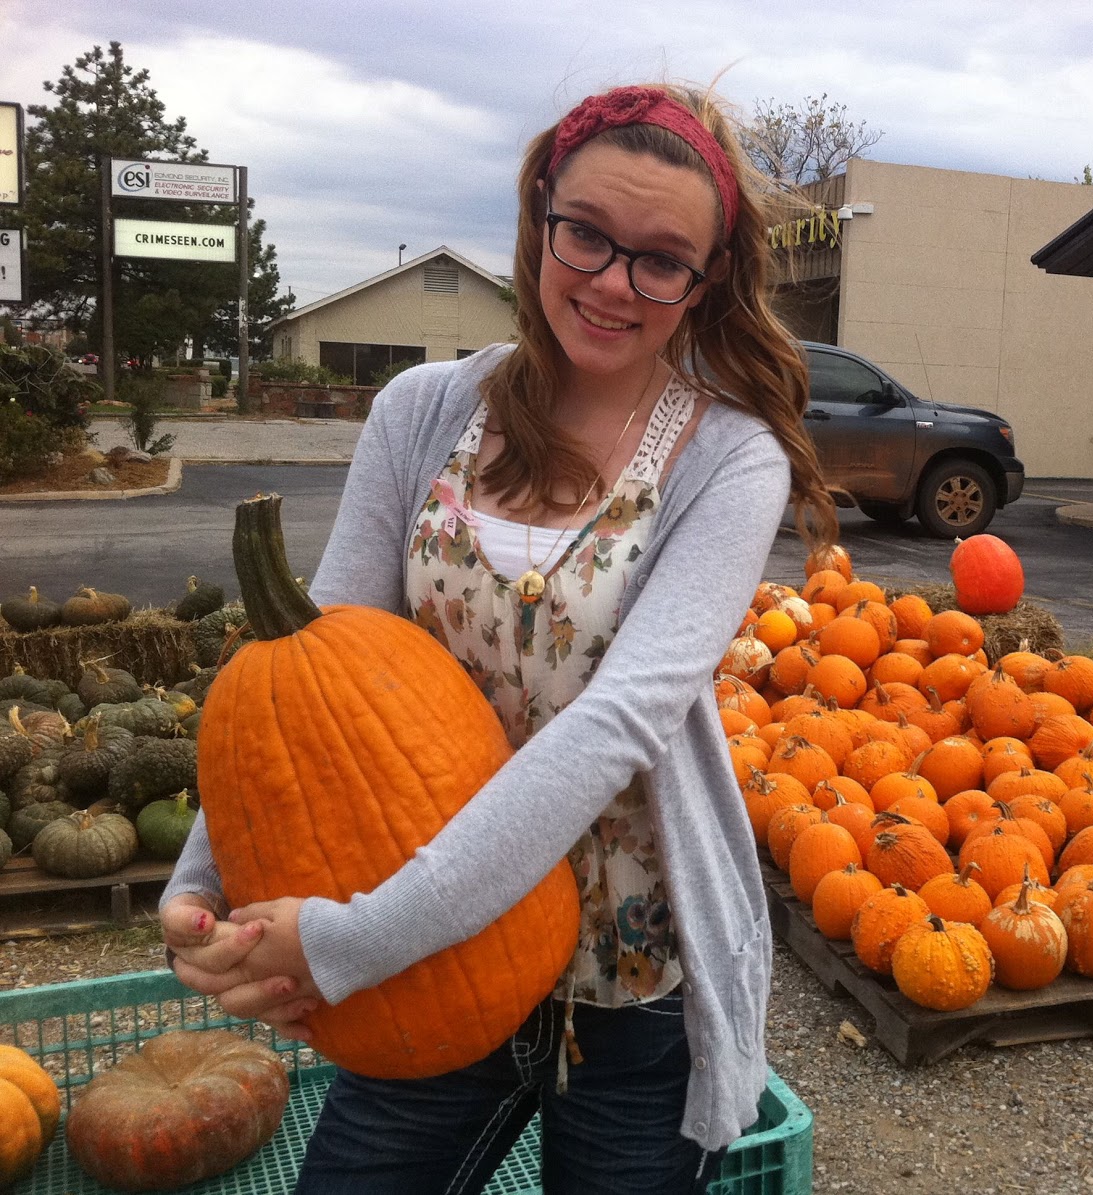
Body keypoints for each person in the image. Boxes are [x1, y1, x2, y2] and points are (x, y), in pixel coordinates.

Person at [159, 81, 837, 1195]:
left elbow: (619, 724)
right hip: (424, 965)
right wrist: (207, 883)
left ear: (705, 280)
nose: (614, 282)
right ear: (538, 216)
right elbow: (311, 662)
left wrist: (347, 940)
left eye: (661, 259)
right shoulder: (423, 409)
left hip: (627, 982)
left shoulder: (729, 459)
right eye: (588, 235)